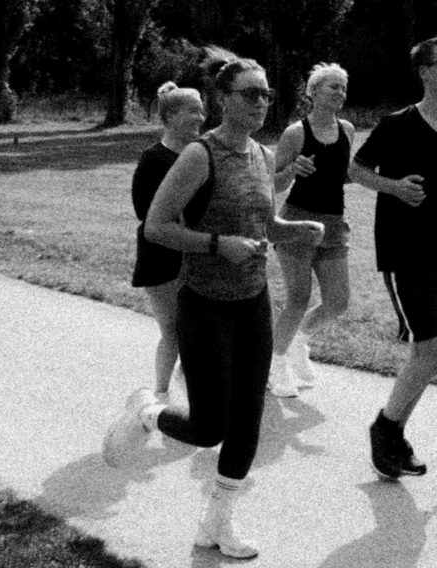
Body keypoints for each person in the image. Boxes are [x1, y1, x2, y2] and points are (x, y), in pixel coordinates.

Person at [102, 46, 324, 559]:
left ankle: (218, 522)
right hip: (203, 302)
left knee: (248, 420)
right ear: (223, 98)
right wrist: (216, 245)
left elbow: (263, 224)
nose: (262, 102)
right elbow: (155, 227)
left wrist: (295, 231)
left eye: (267, 94)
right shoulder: (199, 155)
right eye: (250, 93)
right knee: (208, 428)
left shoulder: (264, 155)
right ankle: (148, 412)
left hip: (252, 300)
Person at [349, 33, 437, 479]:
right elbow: (354, 169)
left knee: (427, 353)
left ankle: (391, 437)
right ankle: (386, 429)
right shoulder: (397, 124)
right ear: (425, 72)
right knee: (434, 353)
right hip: (403, 251)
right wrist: (393, 187)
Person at [267, 63, 355, 398]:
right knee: (299, 297)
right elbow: (271, 184)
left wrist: (373, 174)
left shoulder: (346, 129)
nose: (340, 93)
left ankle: (298, 342)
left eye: (343, 88)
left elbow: (343, 175)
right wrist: (292, 168)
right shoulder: (295, 133)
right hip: (297, 222)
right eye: (333, 86)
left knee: (338, 301)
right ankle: (275, 365)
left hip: (333, 222)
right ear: (313, 91)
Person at [130, 81, 204, 402]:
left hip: (195, 255)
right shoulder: (153, 160)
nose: (201, 116)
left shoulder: (199, 155)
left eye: (202, 109)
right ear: (172, 115)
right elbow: (144, 215)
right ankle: (159, 398)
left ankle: (189, 388)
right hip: (161, 258)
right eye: (193, 110)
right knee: (173, 332)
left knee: (197, 330)